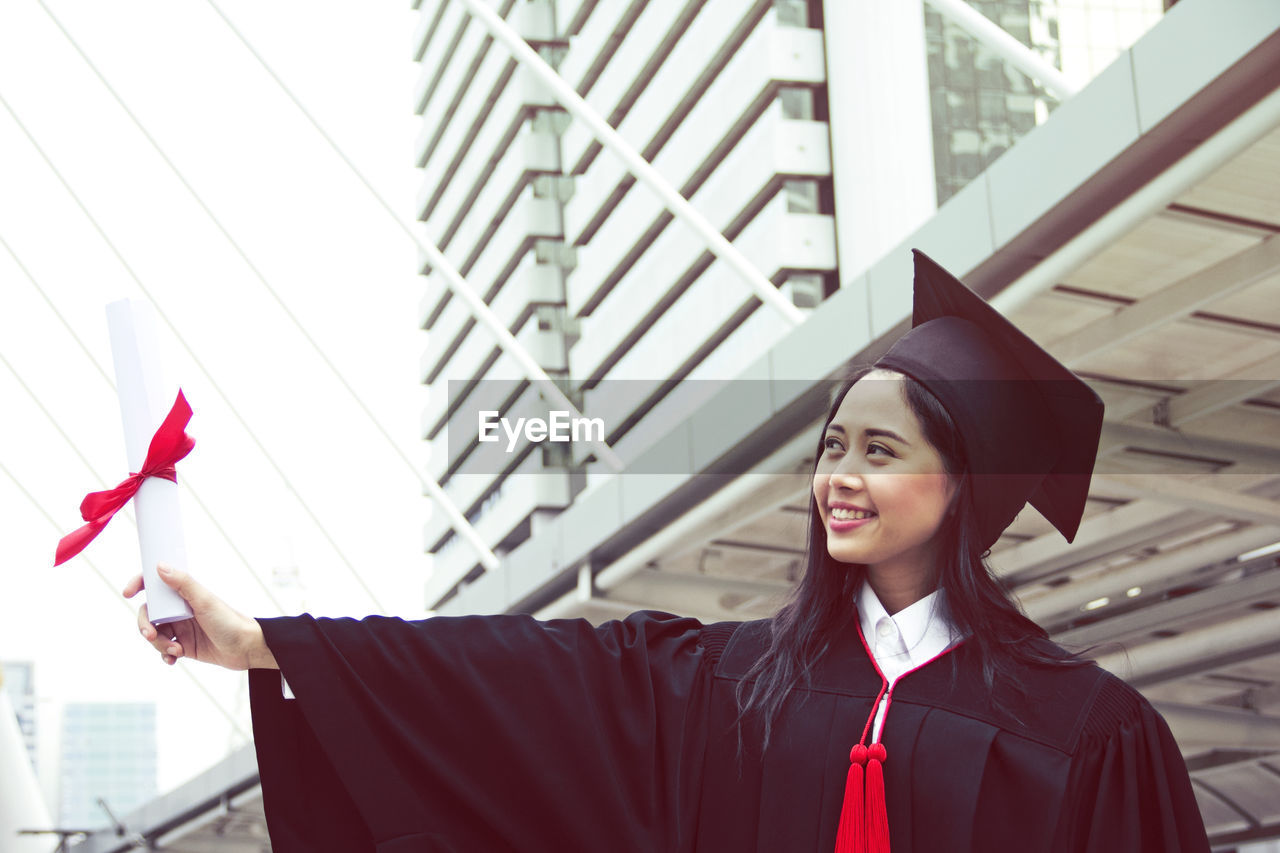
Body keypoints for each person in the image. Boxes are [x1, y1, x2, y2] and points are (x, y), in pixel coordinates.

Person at [126, 250, 1211, 852]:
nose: (836, 475)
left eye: (878, 449)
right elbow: (516, 680)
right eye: (831, 444)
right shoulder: (725, 686)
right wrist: (267, 642)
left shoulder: (1087, 732)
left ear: (964, 486)